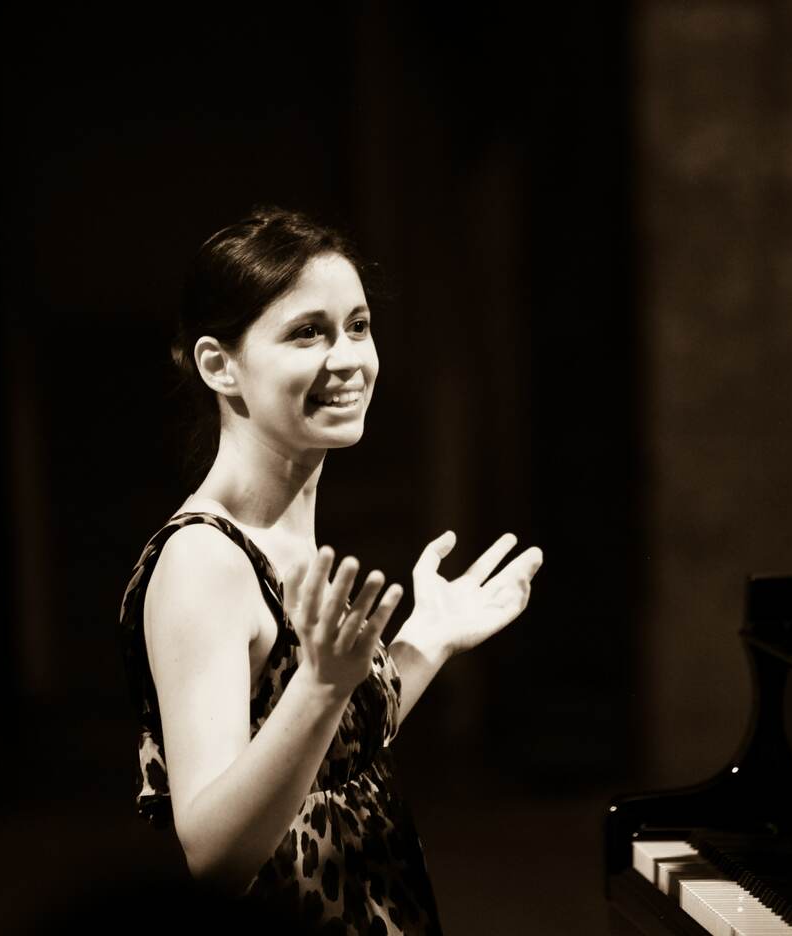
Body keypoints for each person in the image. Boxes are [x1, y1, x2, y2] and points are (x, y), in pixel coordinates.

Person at [118, 207, 543, 934]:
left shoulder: (290, 536)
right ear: (221, 365)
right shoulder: (204, 563)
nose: (348, 357)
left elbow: (325, 765)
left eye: (358, 325)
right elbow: (214, 855)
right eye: (306, 333)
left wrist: (424, 645)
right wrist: (319, 684)